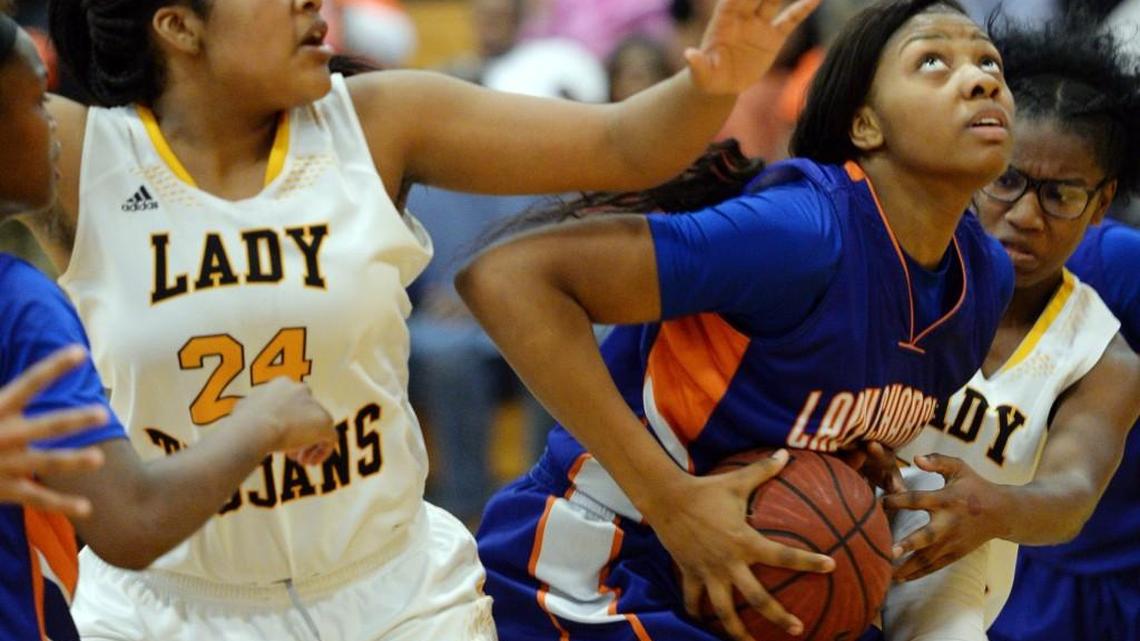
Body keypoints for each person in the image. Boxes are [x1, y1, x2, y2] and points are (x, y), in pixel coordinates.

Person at [25, 0, 821, 639]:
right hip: (161, 607)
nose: (315, 3)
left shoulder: (376, 120)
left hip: (393, 595)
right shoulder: (79, 152)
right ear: (178, 24)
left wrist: (713, 82)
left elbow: (622, 144)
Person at [457, 1, 1018, 640]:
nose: (980, 79)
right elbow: (509, 279)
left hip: (763, 576)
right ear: (865, 124)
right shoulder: (801, 235)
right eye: (933, 62)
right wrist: (671, 501)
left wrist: (847, 449)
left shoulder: (983, 279)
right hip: (611, 556)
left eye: (988, 63)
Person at [0, 15, 336, 640]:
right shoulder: (20, 307)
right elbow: (131, 520)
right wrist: (264, 417)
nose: (53, 123)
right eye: (33, 101)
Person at [878, 13, 1140, 641]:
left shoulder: (1103, 358)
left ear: (1101, 204)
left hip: (940, 608)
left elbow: (1072, 492)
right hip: (814, 557)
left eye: (1061, 195)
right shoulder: (882, 266)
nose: (1025, 215)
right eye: (1009, 181)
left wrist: (997, 507)